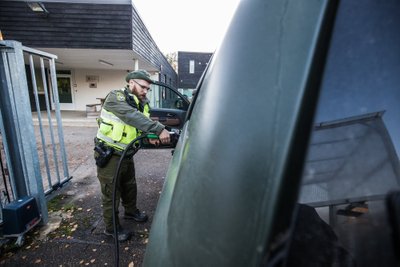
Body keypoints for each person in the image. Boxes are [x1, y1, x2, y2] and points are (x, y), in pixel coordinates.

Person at [94, 69, 170, 242]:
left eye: (147, 89)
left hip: (126, 153)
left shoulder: (142, 103)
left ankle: (130, 212)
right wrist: (158, 130)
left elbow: (139, 125)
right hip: (110, 153)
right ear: (131, 83)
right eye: (143, 87)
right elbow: (131, 116)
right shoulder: (116, 97)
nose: (145, 91)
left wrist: (150, 137)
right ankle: (111, 229)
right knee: (111, 192)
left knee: (129, 185)